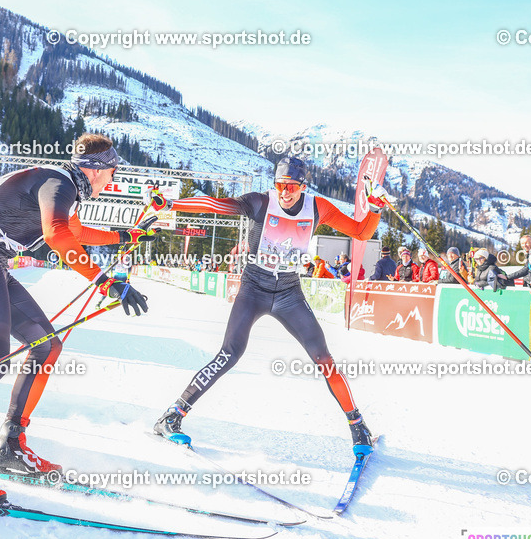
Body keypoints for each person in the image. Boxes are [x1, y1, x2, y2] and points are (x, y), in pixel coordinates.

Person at [0, 134, 153, 503]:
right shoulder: (58, 182)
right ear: (96, 169)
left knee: (46, 346)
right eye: (112, 171)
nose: (113, 179)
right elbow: (58, 237)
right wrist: (107, 284)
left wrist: (128, 234)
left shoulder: (61, 187)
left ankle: (10, 444)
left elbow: (76, 232)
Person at [149, 156, 390, 453]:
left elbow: (361, 232)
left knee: (324, 358)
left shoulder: (318, 208)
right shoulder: (261, 203)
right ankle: (172, 416)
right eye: (279, 184)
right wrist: (172, 205)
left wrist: (376, 207)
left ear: (303, 186)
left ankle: (359, 427)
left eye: (290, 186)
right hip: (253, 290)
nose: (284, 192)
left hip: (289, 293)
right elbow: (215, 204)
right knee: (229, 354)